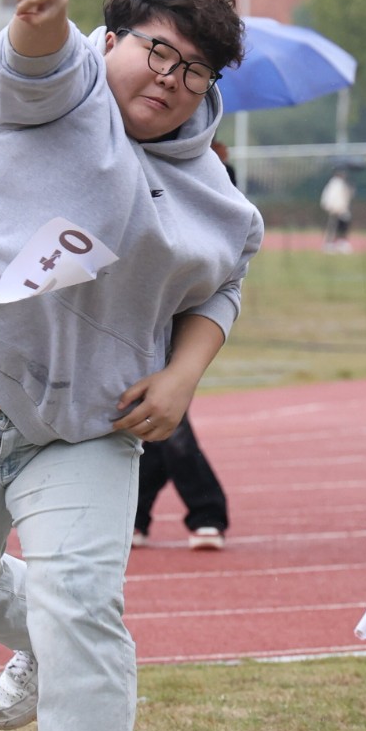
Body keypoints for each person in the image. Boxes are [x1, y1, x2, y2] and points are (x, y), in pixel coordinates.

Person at [0, 0, 263, 731]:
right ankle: (36, 634)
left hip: (87, 430)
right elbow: (36, 58)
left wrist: (182, 378)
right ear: (113, 38)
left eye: (194, 67)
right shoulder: (64, 91)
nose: (169, 77)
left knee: (86, 617)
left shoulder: (215, 192)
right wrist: (42, 14)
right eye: (157, 49)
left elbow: (225, 284)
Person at [133, 140, 237, 552]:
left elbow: (224, 231)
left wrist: (216, 165)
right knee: (151, 417)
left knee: (166, 415)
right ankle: (139, 513)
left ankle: (207, 511)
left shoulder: (210, 168)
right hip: (132, 304)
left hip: (181, 306)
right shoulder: (130, 153)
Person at [320, 167, 354, 252]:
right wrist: (333, 207)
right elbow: (331, 198)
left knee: (342, 226)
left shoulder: (341, 183)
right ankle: (330, 244)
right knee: (333, 226)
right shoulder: (335, 183)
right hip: (336, 209)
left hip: (341, 209)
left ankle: (340, 243)